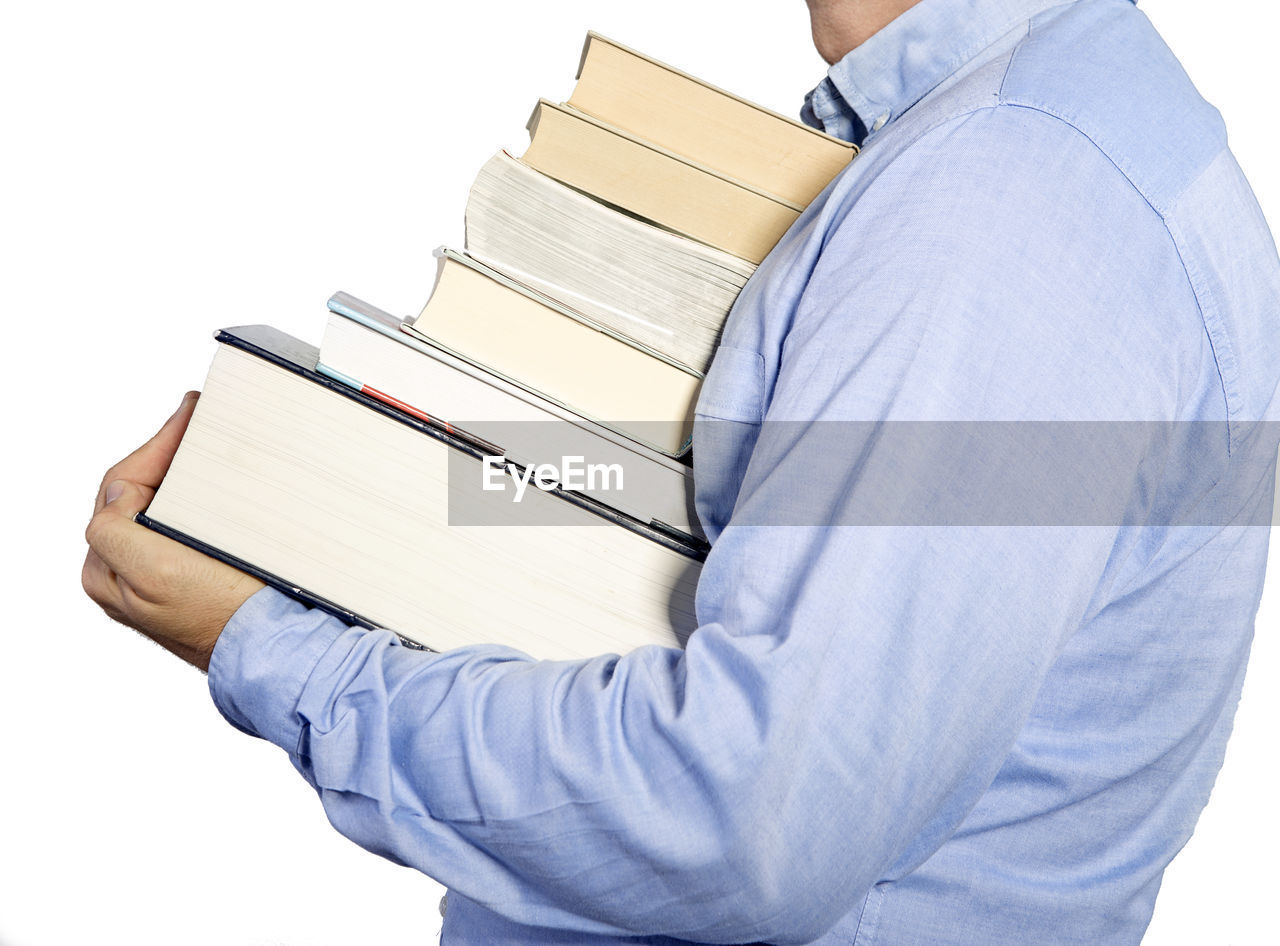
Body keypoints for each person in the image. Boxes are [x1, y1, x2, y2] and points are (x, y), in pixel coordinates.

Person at [83, 0, 1280, 942]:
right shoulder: (1058, 129)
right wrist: (396, 482)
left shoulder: (1002, 198)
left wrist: (271, 650)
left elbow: (749, 821)